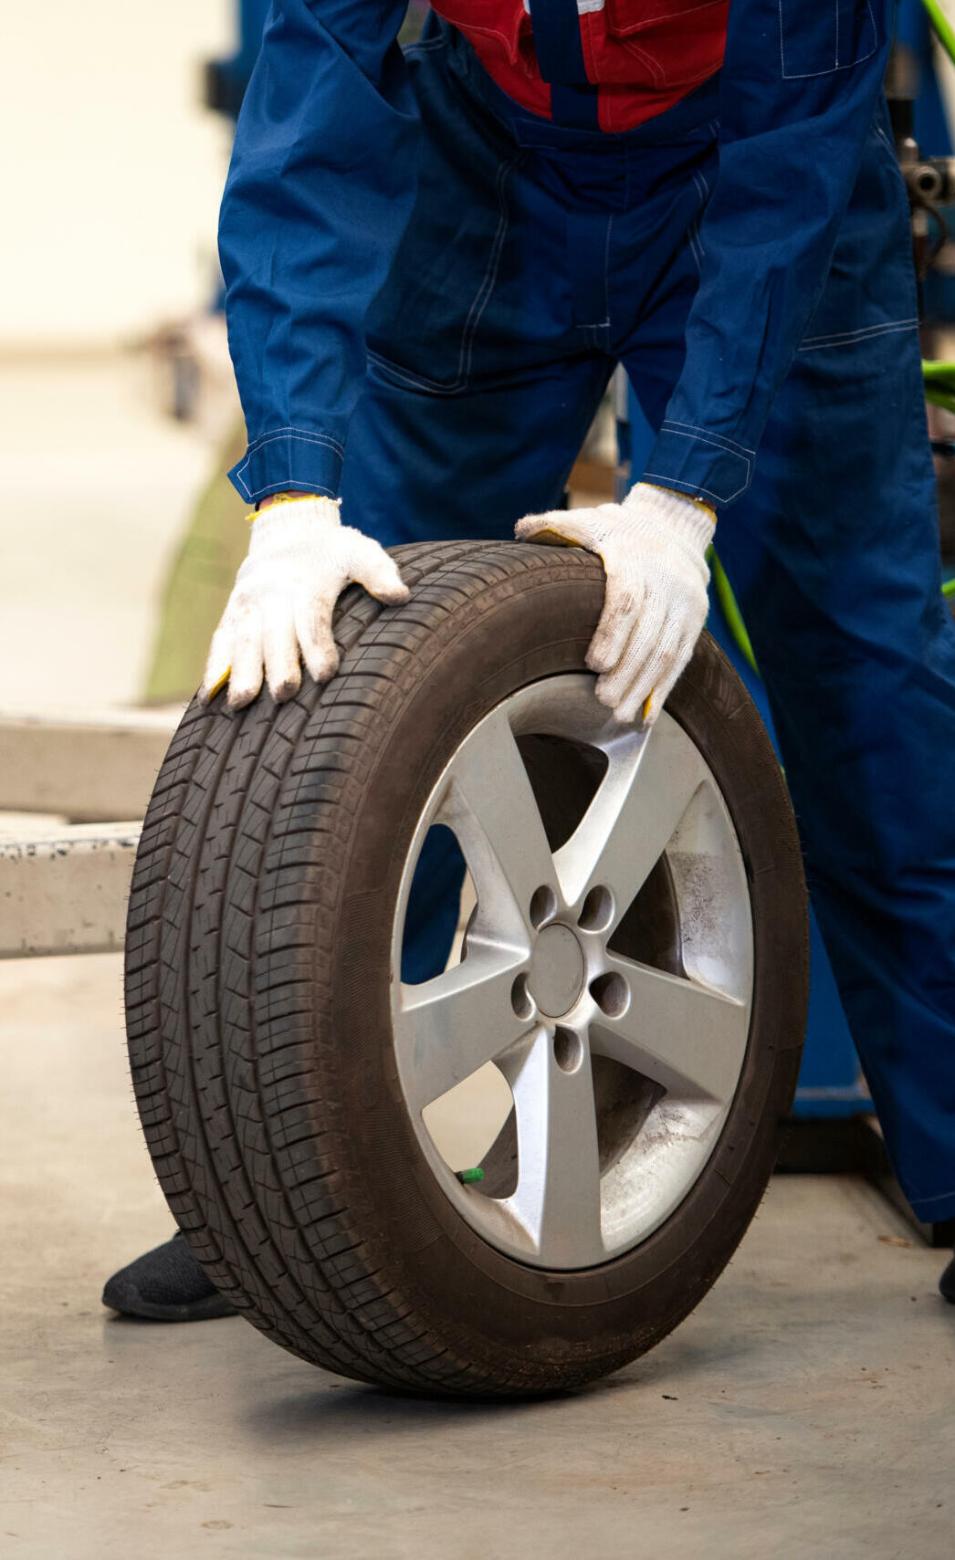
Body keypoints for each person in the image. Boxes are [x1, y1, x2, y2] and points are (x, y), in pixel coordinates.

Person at [102, 0, 955, 1322]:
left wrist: (685, 497)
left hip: (759, 169)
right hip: (492, 166)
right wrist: (295, 495)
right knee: (358, 642)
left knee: (868, 694)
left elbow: (790, 154)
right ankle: (283, 1184)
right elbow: (312, 111)